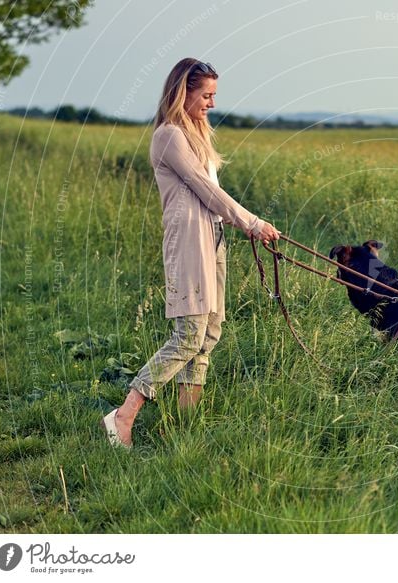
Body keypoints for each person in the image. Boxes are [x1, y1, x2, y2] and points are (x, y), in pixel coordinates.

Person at [101, 58, 280, 448]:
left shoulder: (197, 134)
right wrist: (252, 222)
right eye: (206, 95)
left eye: (214, 95)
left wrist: (244, 225)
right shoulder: (169, 136)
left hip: (212, 240)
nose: (212, 103)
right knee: (188, 336)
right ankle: (122, 416)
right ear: (184, 92)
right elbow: (206, 190)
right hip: (188, 246)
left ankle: (184, 426)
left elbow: (211, 201)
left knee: (209, 334)